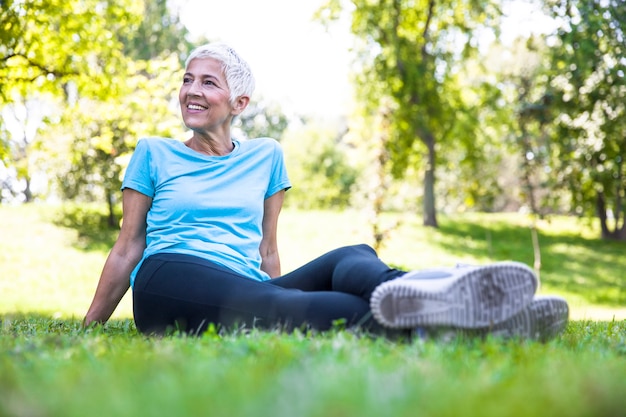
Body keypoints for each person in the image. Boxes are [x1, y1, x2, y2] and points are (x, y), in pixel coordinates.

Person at [83, 43, 569, 340]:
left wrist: (274, 282)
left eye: (208, 82)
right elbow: (129, 245)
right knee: (290, 310)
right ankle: (464, 319)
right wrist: (89, 328)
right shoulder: (153, 152)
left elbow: (267, 249)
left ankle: (457, 299)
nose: (191, 90)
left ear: (239, 103)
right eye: (187, 79)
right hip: (170, 280)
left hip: (242, 283)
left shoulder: (266, 155)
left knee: (352, 256)